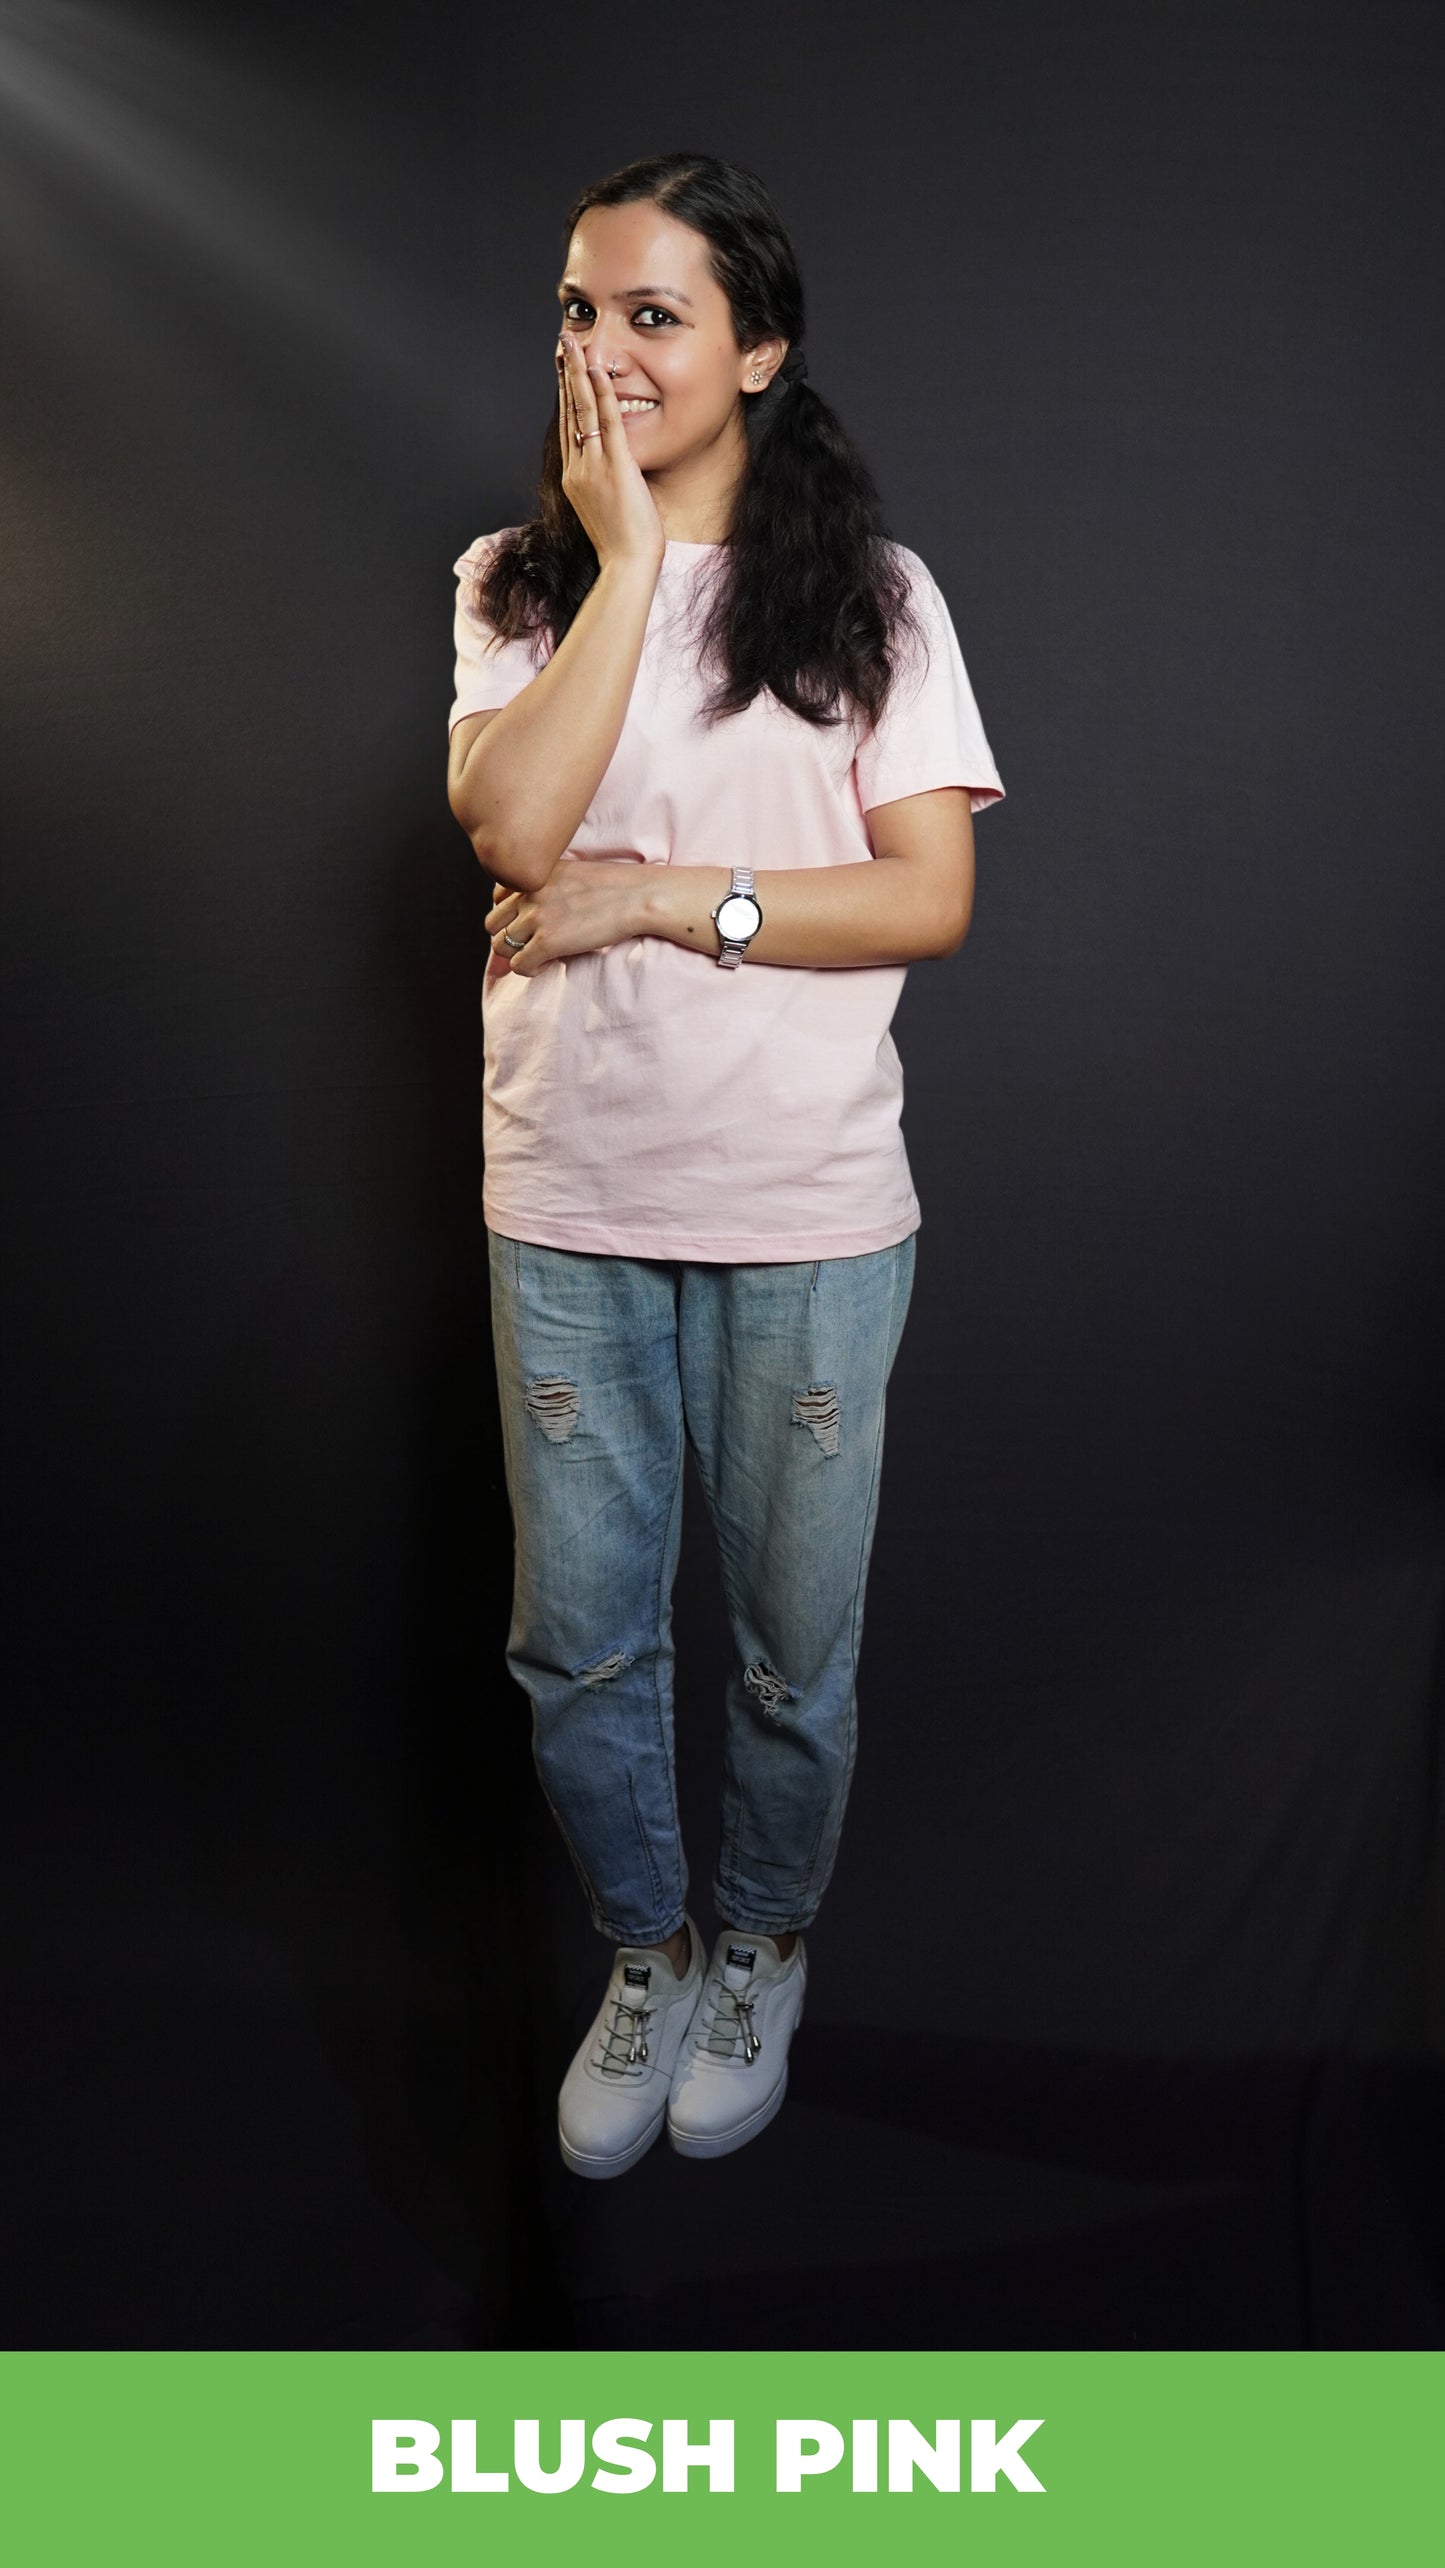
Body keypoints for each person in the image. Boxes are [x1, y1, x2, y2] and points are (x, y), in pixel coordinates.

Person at [446, 152, 1004, 2180]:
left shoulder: (874, 598)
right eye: (578, 314)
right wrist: (619, 570)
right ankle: (648, 1944)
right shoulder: (515, 585)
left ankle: (760, 1946)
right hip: (568, 1201)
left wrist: (667, 897)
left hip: (806, 1213)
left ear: (758, 348)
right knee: (578, 1640)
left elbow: (925, 893)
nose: (602, 353)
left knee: (789, 1643)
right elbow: (514, 830)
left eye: (653, 316)